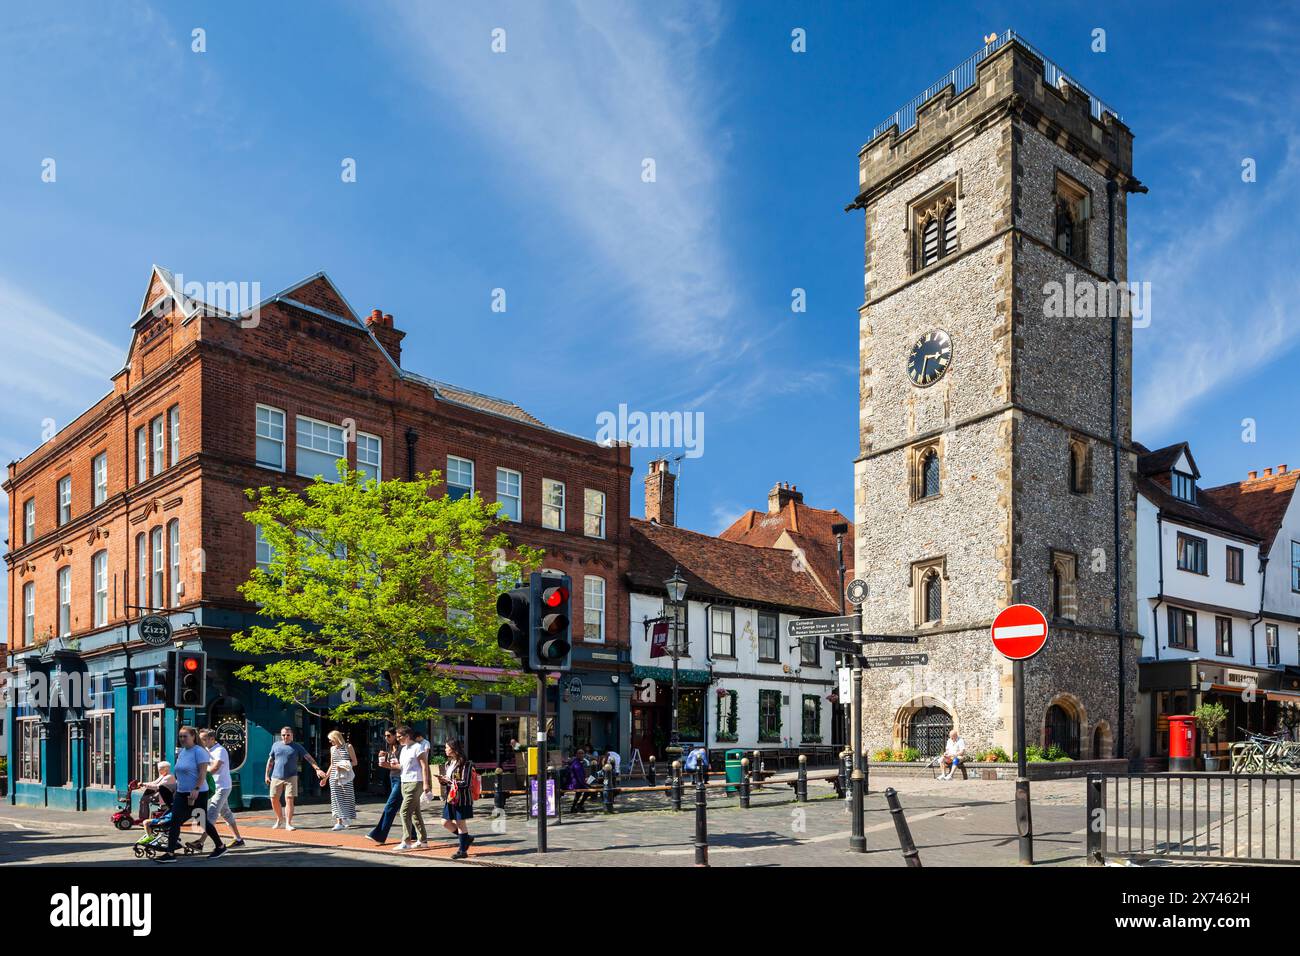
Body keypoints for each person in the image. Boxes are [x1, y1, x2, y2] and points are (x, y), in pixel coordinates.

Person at [156, 726, 225, 862]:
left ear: (193, 736)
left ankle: (220, 846)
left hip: (198, 793)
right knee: (175, 821)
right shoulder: (183, 752)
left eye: (185, 736)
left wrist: (196, 788)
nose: (182, 739)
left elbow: (202, 773)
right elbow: (181, 773)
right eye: (180, 736)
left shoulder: (199, 752)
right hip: (182, 793)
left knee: (202, 821)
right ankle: (170, 854)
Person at [264, 726, 326, 830]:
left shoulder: (297, 747)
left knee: (289, 799)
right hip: (276, 776)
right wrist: (266, 774)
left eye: (288, 735)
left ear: (292, 735)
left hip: (291, 776)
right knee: (273, 799)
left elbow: (308, 758)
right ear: (281, 735)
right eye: (283, 735)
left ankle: (288, 823)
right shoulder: (276, 745)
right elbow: (270, 760)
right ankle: (279, 819)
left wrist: (317, 769)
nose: (285, 737)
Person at [199, 730, 245, 848]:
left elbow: (214, 768)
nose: (201, 741)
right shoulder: (206, 750)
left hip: (222, 787)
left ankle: (200, 842)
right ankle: (238, 839)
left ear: (212, 739)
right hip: (215, 787)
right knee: (226, 813)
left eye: (204, 739)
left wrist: (202, 769)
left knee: (211, 814)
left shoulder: (220, 750)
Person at [394, 725, 432, 850]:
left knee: (404, 811)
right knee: (415, 812)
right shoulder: (404, 749)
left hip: (415, 782)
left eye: (399, 736)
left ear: (407, 736)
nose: (397, 738)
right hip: (404, 782)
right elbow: (402, 767)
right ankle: (423, 840)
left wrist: (426, 784)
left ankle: (406, 840)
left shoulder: (418, 747)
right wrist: (388, 765)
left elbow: (424, 766)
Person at [436, 738, 475, 859]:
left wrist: (451, 781)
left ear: (454, 749)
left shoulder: (466, 764)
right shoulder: (448, 763)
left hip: (461, 798)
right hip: (451, 798)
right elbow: (449, 782)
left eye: (447, 747)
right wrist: (443, 781)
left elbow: (466, 783)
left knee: (460, 823)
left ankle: (462, 851)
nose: (445, 749)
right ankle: (466, 839)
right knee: (445, 822)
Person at [367, 728, 404, 845]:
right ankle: (413, 832)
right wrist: (384, 760)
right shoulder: (389, 748)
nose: (386, 738)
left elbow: (403, 766)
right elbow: (391, 765)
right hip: (393, 778)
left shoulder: (402, 749)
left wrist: (388, 764)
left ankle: (379, 835)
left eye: (388, 736)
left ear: (395, 736)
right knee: (405, 808)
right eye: (385, 736)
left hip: (401, 779)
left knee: (390, 806)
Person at [324, 729, 359, 830]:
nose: (330, 742)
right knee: (336, 799)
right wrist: (326, 777)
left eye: (331, 740)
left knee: (347, 797)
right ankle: (339, 821)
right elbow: (332, 764)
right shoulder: (332, 749)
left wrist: (344, 764)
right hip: (334, 777)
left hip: (345, 776)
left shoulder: (348, 747)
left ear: (336, 738)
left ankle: (347, 817)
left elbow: (355, 762)